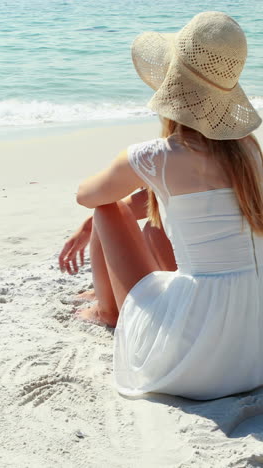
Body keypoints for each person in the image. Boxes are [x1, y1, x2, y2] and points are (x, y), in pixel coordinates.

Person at [59, 11, 263, 400]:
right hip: (253, 354)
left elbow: (88, 195)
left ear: (172, 86)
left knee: (107, 209)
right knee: (154, 223)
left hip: (194, 364)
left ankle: (108, 311)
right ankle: (112, 297)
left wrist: (93, 218)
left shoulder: (157, 156)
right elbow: (185, 201)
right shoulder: (249, 155)